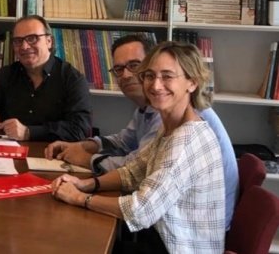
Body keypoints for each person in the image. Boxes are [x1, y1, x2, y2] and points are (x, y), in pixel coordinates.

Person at [44, 34, 237, 229]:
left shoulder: (186, 139)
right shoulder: (168, 123)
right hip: (165, 224)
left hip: (180, 240)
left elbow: (140, 211)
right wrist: (85, 183)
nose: (155, 85)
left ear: (192, 83)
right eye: (150, 75)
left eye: (167, 76)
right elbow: (134, 171)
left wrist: (79, 197)